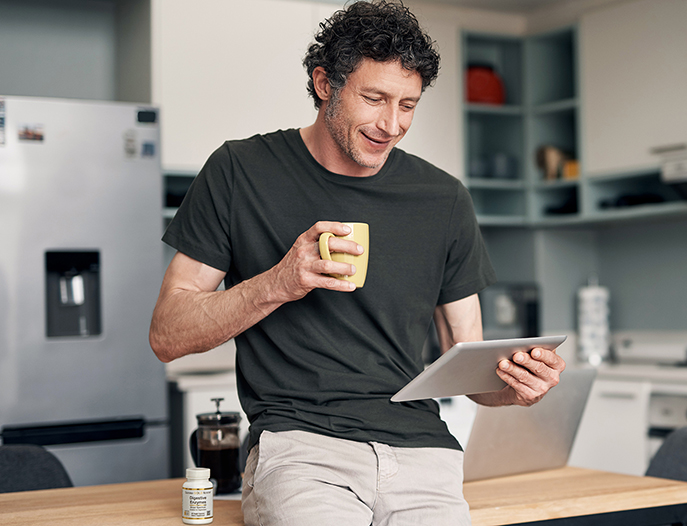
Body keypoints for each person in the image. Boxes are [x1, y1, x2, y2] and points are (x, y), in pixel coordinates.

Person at [149, 1, 565, 525]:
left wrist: (513, 386)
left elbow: (468, 365)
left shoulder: (444, 199)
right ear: (325, 83)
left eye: (409, 105)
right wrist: (278, 282)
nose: (392, 124)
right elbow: (167, 334)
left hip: (424, 453)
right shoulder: (240, 171)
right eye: (374, 99)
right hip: (303, 450)